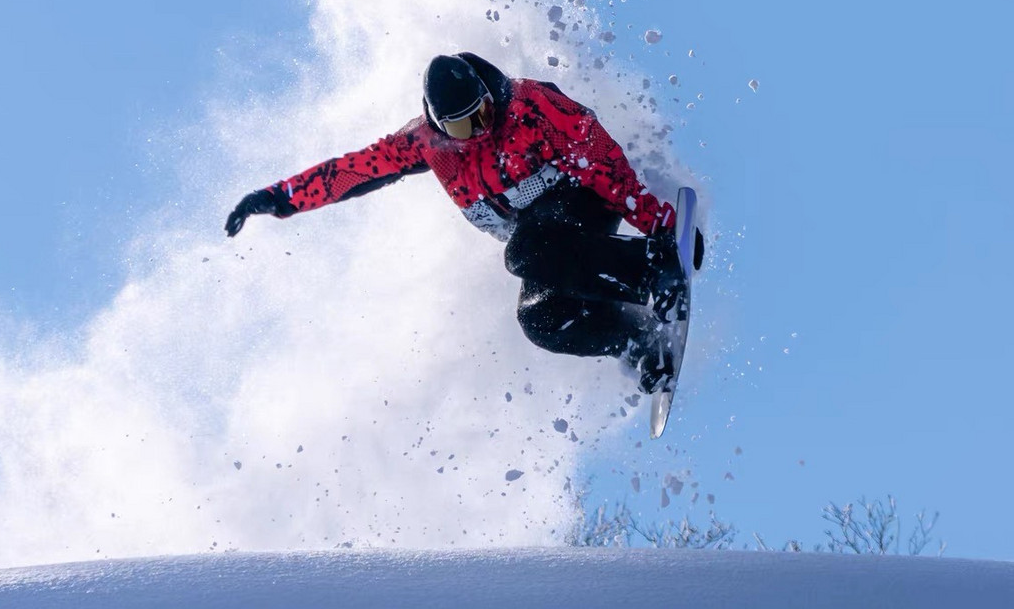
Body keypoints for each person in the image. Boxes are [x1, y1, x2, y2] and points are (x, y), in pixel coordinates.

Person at [224, 52, 695, 392]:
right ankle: (638, 341)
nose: (482, 129)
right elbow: (352, 172)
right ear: (438, 123)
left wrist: (659, 230)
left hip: (579, 206)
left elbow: (601, 161)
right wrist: (276, 198)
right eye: (466, 126)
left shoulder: (530, 108)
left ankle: (647, 269)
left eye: (485, 112)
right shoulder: (427, 147)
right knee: (539, 318)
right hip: (545, 248)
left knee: (527, 250)